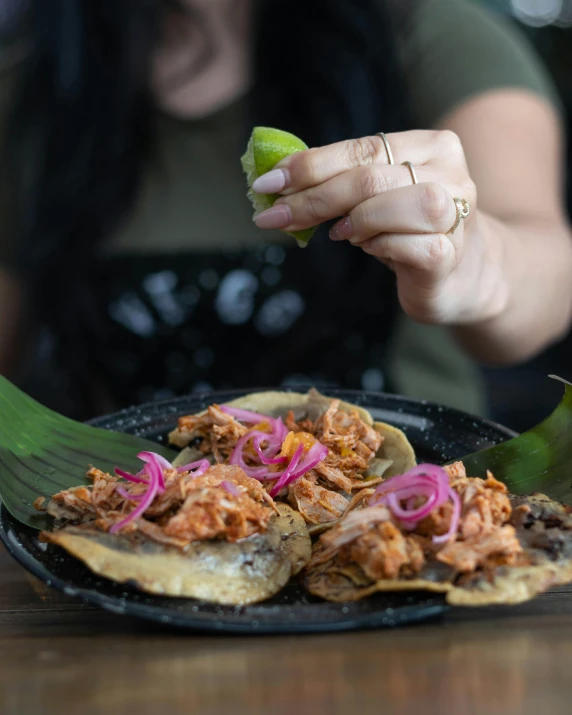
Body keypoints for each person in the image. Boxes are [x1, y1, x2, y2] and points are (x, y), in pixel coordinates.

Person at [0, 0, 570, 420]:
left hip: (401, 525)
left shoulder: (434, 35)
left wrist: (472, 259)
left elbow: (546, 266)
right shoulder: (28, 83)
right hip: (119, 529)